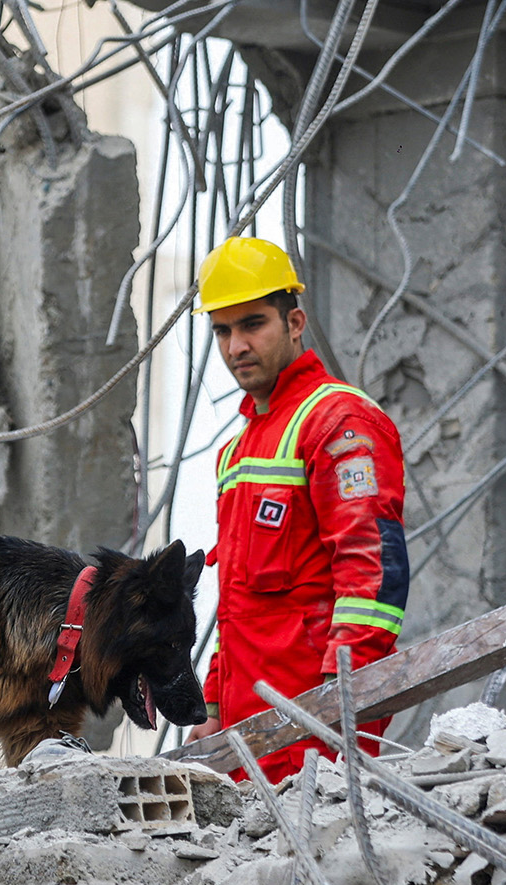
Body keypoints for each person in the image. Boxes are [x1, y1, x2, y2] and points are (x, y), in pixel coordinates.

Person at [182, 237, 409, 782]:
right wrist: (212, 707)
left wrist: (341, 704)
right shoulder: (236, 452)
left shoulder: (338, 422)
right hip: (246, 736)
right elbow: (237, 604)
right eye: (222, 330)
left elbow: (372, 578)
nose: (236, 345)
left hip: (315, 735)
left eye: (252, 324)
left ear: (294, 321)